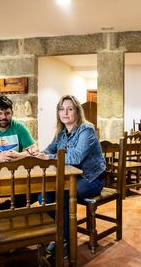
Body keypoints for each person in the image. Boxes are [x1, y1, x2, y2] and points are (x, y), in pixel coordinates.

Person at [36, 94, 106, 257]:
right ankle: (58, 234)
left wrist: (50, 157)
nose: (65, 113)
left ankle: (65, 240)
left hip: (92, 178)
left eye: (70, 109)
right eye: (61, 109)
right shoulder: (61, 132)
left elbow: (76, 157)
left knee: (63, 196)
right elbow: (50, 149)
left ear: (77, 112)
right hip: (70, 179)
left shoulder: (87, 129)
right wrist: (38, 154)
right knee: (43, 196)